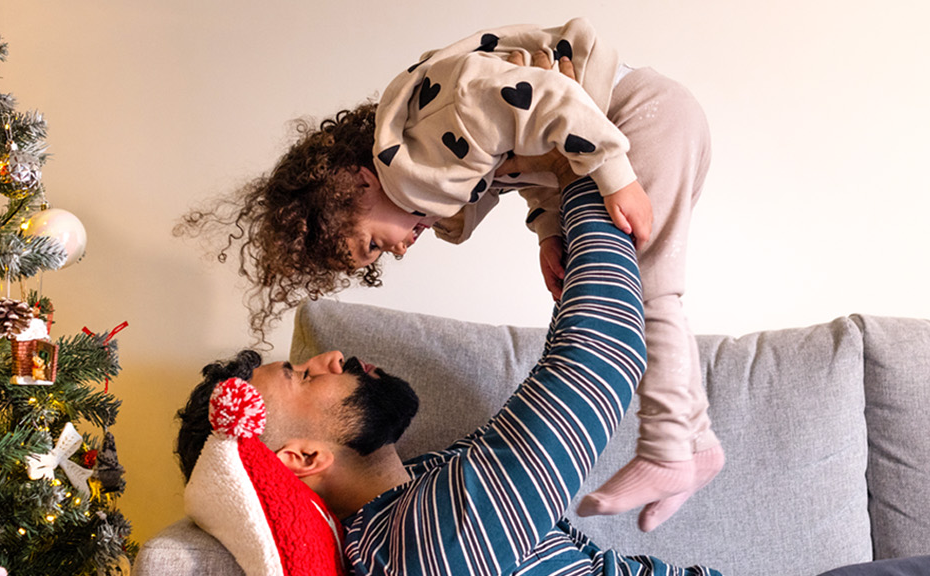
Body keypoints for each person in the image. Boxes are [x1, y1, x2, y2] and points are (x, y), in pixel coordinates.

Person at [179, 18, 720, 531]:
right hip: (633, 123)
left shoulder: (430, 131)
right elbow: (529, 152)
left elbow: (550, 102)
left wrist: (612, 173)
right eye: (379, 256)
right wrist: (549, 228)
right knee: (646, 292)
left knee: (649, 296)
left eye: (371, 244)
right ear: (302, 458)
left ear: (353, 184)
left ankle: (676, 446)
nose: (399, 250)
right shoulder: (434, 161)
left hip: (636, 119)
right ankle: (692, 442)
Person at [178, 176, 723, 575]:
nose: (332, 355)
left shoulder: (415, 492)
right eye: (301, 376)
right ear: (301, 458)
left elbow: (559, 371)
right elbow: (602, 359)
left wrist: (555, 225)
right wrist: (585, 172)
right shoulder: (419, 546)